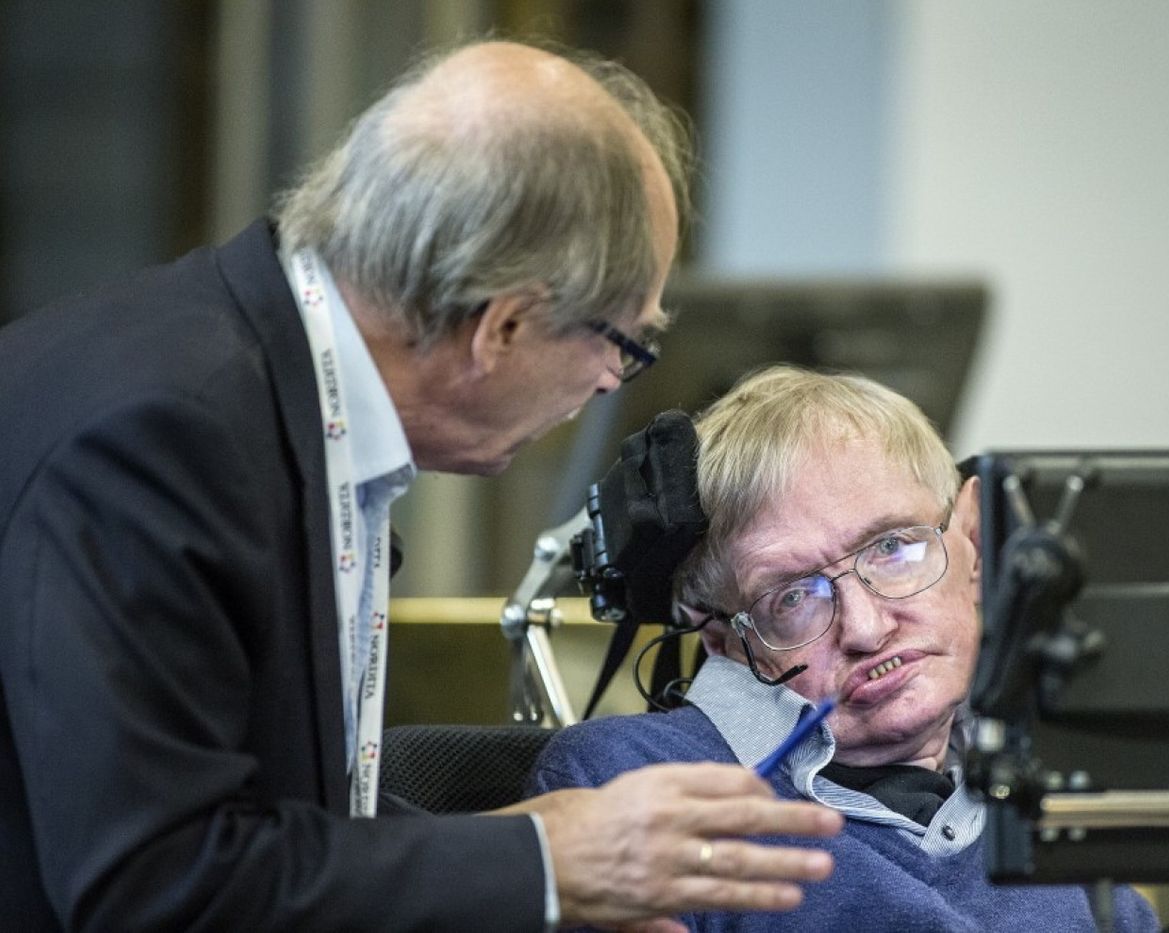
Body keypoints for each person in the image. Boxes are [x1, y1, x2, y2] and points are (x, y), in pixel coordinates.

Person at [0, 41, 841, 932]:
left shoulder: (263, 389)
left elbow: (283, 818)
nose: (608, 384)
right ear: (505, 326)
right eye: (623, 346)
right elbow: (160, 884)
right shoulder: (165, 438)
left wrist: (544, 872)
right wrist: (544, 861)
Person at [530, 365, 1158, 931]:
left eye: (892, 548)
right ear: (722, 638)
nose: (864, 628)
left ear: (973, 538)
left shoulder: (1051, 789)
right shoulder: (631, 781)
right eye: (793, 596)